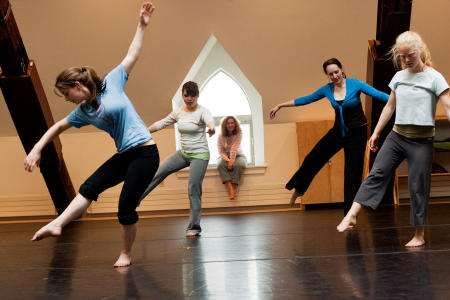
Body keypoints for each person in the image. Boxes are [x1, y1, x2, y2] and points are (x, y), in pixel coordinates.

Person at [25, 2, 158, 267]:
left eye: (66, 94)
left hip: (145, 152)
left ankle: (126, 254)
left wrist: (142, 25)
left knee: (125, 207)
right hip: (125, 155)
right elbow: (57, 126)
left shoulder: (112, 83)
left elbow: (132, 55)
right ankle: (58, 224)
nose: (67, 100)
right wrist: (36, 148)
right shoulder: (84, 111)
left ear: (77, 85)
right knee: (89, 187)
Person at [337, 31, 450, 247]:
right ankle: (352, 213)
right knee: (377, 172)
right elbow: (390, 106)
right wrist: (376, 132)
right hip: (397, 137)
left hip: (422, 141)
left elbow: (448, 105)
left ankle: (419, 234)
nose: (406, 60)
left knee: (418, 185)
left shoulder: (435, 77)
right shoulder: (399, 77)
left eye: (410, 54)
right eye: (402, 55)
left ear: (421, 50)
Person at [269, 58, 389, 214]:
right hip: (338, 131)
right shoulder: (327, 89)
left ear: (341, 69)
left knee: (352, 174)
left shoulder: (355, 84)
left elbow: (379, 95)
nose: (335, 76)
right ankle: (299, 189)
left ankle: (349, 215)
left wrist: (402, 99)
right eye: (330, 74)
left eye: (336, 72)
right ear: (327, 76)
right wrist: (280, 105)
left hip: (357, 134)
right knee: (312, 158)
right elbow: (306, 99)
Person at [139, 81, 215, 237]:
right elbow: (161, 123)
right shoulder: (178, 112)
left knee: (193, 188)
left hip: (200, 155)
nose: (189, 98)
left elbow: (210, 121)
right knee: (159, 171)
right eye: (186, 95)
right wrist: (144, 132)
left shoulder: (203, 111)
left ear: (197, 95)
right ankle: (134, 200)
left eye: (192, 95)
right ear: (182, 95)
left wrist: (212, 128)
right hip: (184, 153)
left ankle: (194, 227)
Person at [217, 116, 247, 200]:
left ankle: (234, 187)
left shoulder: (239, 133)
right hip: (225, 156)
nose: (230, 125)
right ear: (225, 125)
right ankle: (230, 188)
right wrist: (228, 160)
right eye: (228, 123)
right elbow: (221, 151)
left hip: (239, 155)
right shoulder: (220, 136)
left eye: (232, 123)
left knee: (239, 165)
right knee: (220, 165)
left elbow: (234, 148)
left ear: (235, 124)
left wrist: (232, 161)